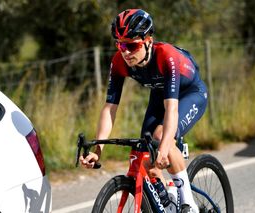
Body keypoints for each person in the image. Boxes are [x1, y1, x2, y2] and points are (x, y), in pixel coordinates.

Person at [80, 9, 208, 213]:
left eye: (131, 45)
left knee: (160, 137)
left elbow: (172, 109)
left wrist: (165, 147)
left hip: (190, 94)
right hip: (160, 94)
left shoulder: (167, 56)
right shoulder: (119, 62)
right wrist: (98, 150)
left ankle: (188, 204)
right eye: (121, 45)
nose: (126, 52)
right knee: (145, 152)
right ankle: (169, 199)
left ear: (149, 41)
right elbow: (110, 107)